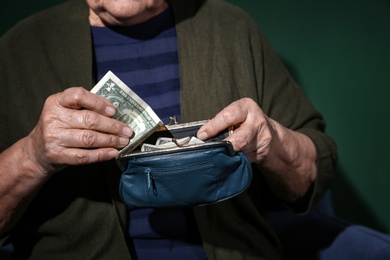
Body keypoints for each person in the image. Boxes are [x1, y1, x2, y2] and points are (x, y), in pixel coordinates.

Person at [0, 0, 337, 259]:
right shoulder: (21, 49)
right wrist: (32, 155)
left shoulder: (232, 30)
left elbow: (312, 177)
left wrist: (271, 142)